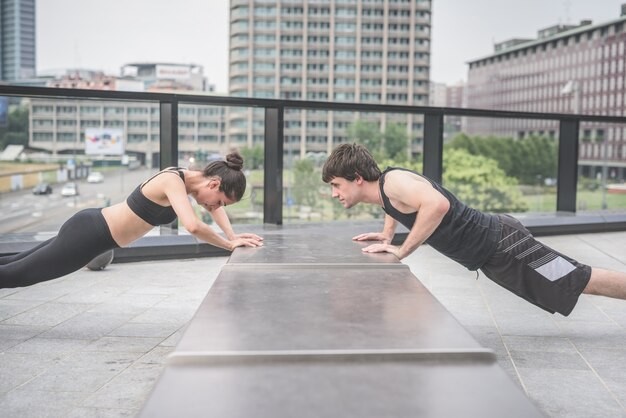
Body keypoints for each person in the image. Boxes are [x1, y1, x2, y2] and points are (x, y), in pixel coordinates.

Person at [322, 143, 626, 316]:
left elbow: (436, 205)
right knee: (576, 279)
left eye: (337, 185)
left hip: (505, 245)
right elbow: (394, 205)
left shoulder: (394, 182)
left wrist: (402, 250)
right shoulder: (387, 188)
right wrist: (388, 234)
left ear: (357, 177)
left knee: (577, 278)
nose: (335, 193)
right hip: (495, 252)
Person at [1, 152, 263, 289]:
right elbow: (194, 226)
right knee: (22, 274)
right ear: (214, 182)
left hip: (92, 230)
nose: (215, 207)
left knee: (14, 262)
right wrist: (228, 246)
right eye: (219, 200)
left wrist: (232, 235)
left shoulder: (194, 186)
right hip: (90, 234)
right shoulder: (173, 181)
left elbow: (214, 210)